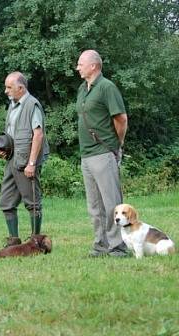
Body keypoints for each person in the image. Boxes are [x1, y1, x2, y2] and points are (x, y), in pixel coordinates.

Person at [76, 49, 128, 257]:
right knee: (94, 206)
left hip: (103, 152)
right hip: (86, 155)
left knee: (111, 204)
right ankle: (100, 245)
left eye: (80, 63)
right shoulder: (83, 88)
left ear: (93, 66)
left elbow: (121, 118)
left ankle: (118, 247)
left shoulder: (107, 87)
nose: (77, 67)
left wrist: (117, 144)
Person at [0, 72, 49, 247]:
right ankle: (14, 240)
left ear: (21, 87)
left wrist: (32, 163)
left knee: (32, 203)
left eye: (9, 87)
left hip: (26, 162)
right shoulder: (13, 105)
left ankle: (36, 241)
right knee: (6, 201)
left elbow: (38, 134)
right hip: (12, 160)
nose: (6, 91)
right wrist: (4, 149)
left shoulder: (32, 104)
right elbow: (13, 135)